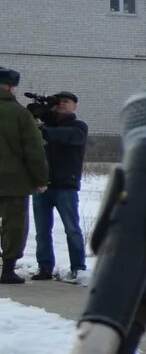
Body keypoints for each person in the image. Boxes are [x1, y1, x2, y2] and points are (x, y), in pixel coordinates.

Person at [31, 92, 88, 282]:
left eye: (67, 101)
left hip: (66, 185)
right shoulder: (45, 125)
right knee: (42, 230)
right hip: (42, 185)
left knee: (72, 228)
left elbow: (66, 136)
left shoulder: (78, 126)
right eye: (59, 102)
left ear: (75, 106)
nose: (62, 104)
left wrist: (43, 125)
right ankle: (44, 267)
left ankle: (78, 267)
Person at [0, 68, 42, 283]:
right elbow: (33, 149)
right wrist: (40, 179)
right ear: (12, 86)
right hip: (13, 180)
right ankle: (7, 269)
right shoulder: (19, 113)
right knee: (14, 224)